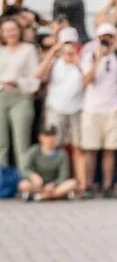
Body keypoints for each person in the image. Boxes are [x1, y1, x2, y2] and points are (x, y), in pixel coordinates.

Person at [81, 23, 117, 196]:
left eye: (110, 37)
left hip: (112, 109)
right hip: (92, 108)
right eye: (103, 37)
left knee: (110, 150)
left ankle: (107, 186)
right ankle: (87, 185)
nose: (107, 40)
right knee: (90, 149)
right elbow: (85, 81)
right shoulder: (89, 56)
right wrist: (98, 59)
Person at [36, 32, 86, 193]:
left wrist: (78, 63)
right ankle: (55, 183)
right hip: (56, 108)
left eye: (72, 43)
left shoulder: (82, 62)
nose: (69, 48)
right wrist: (52, 52)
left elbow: (89, 82)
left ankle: (81, 185)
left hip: (77, 109)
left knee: (78, 148)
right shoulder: (55, 62)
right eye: (66, 43)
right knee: (55, 146)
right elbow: (38, 75)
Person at [0, 17, 39, 170]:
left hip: (21, 97)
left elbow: (34, 77)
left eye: (13, 29)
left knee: (21, 143)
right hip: (2, 96)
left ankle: (24, 180)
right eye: (6, 30)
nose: (10, 33)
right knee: (1, 144)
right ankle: (2, 182)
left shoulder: (28, 50)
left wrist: (17, 82)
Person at [18, 124, 76, 201]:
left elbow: (63, 175)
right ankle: (56, 196)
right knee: (23, 184)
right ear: (41, 138)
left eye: (53, 136)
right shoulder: (34, 151)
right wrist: (32, 176)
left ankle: (39, 197)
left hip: (54, 185)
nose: (50, 139)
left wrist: (54, 184)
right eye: (47, 136)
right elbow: (24, 169)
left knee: (72, 183)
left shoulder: (62, 153)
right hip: (38, 184)